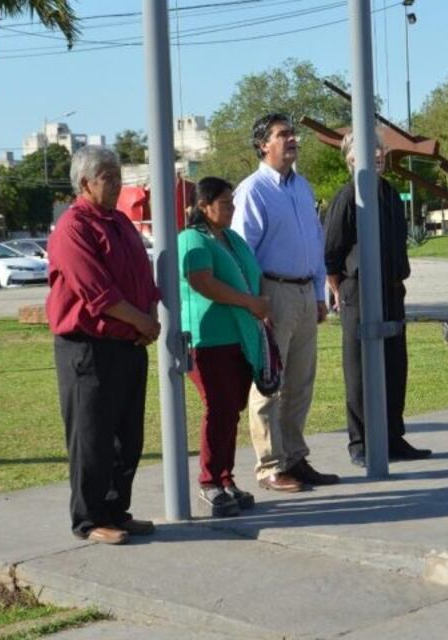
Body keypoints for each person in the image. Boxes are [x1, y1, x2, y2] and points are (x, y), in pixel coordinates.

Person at [47, 146, 161, 545]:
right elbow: (98, 292)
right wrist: (141, 320)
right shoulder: (73, 228)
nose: (117, 184)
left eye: (118, 175)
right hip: (88, 348)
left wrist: (150, 315)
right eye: (107, 177)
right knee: (91, 436)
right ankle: (89, 518)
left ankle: (116, 510)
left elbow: (143, 277)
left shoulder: (121, 223)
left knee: (126, 437)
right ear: (85, 183)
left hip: (129, 345)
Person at [231, 112, 339, 492]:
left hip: (304, 293)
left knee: (301, 383)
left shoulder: (302, 187)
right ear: (263, 145)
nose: (292, 139)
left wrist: (318, 292)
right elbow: (243, 253)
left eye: (293, 134)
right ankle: (270, 466)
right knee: (269, 383)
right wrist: (257, 303)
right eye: (283, 134)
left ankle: (294, 457)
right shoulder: (253, 191)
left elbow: (314, 241)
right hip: (272, 293)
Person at [324, 132, 432, 467]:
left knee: (395, 365)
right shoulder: (347, 197)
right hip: (359, 291)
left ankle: (391, 437)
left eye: (381, 148)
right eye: (370, 149)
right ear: (351, 158)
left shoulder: (388, 193)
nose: (379, 153)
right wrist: (339, 289)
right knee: (358, 370)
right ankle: (361, 442)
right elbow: (331, 252)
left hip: (392, 290)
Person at [178, 177, 270, 517]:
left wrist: (261, 303)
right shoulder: (192, 239)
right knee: (217, 409)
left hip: (239, 338)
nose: (232, 208)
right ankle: (210, 482)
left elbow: (255, 273)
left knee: (229, 412)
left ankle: (226, 478)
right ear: (204, 206)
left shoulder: (231, 238)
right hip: (207, 340)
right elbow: (203, 282)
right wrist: (249, 301)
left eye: (233, 202)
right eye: (225, 203)